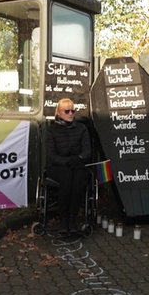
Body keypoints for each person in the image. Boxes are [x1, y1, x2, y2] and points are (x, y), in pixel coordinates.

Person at [45, 98, 91, 233]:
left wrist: (79, 158)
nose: (71, 113)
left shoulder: (82, 128)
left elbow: (87, 150)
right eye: (67, 111)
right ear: (59, 113)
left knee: (77, 179)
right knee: (66, 176)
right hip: (59, 166)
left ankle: (72, 219)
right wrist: (65, 161)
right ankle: (63, 219)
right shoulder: (52, 130)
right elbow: (51, 154)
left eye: (72, 110)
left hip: (77, 164)